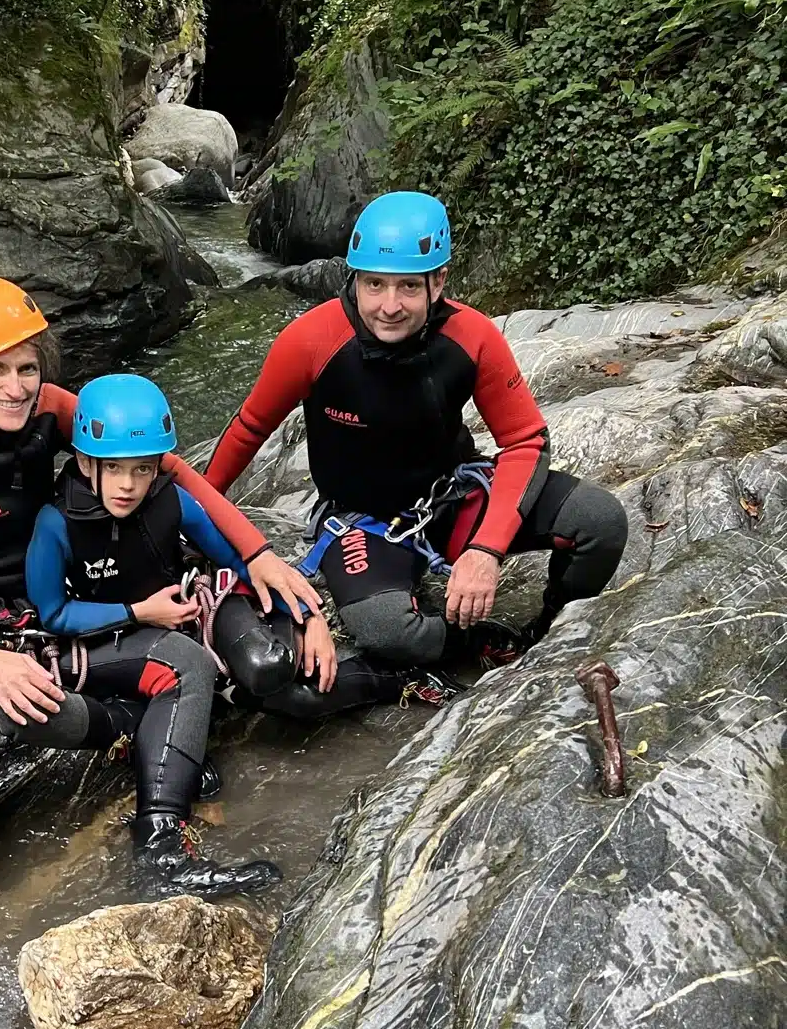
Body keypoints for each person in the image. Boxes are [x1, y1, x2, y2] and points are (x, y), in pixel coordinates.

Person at [0, 278, 327, 897]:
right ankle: (148, 742)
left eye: (27, 367)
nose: (15, 387)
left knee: (184, 664)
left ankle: (161, 846)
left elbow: (162, 462)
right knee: (29, 707)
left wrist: (257, 553)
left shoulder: (49, 408)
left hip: (59, 604)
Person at [205, 193, 629, 672]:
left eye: (408, 286)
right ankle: (476, 642)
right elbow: (250, 429)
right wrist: (194, 514)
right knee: (385, 629)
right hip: (365, 523)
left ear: (438, 281)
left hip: (454, 501)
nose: (389, 306)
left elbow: (524, 442)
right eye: (374, 284)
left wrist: (485, 550)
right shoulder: (310, 341)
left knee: (600, 520)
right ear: (354, 279)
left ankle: (549, 634)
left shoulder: (472, 336)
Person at [29, 375, 455, 754]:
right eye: (114, 468)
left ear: (158, 466)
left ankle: (400, 677)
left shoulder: (170, 500)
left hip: (197, 614)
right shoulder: (57, 523)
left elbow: (238, 559)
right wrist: (138, 613)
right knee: (264, 700)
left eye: (142, 468)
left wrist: (307, 616)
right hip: (128, 635)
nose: (127, 485)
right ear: (85, 462)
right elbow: (53, 614)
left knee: (275, 673)